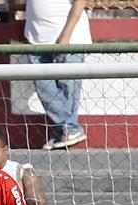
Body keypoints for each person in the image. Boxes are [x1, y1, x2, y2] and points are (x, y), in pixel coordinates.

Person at [25, 0, 91, 150]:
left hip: (68, 39)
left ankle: (66, 130)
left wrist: (66, 36)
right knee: (44, 87)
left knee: (69, 90)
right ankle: (68, 129)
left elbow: (79, 2)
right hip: (36, 39)